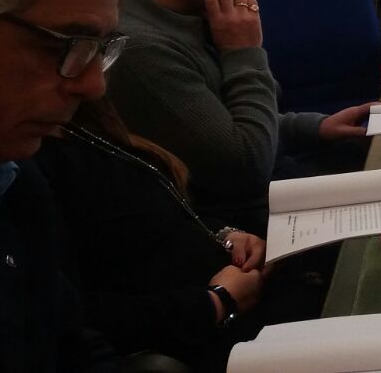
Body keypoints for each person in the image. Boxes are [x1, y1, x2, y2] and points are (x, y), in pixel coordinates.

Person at [107, 0, 376, 233]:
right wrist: (244, 52)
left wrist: (315, 127)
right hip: (247, 217)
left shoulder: (194, 17)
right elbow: (247, 166)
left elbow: (242, 119)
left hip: (274, 181)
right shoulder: (142, 50)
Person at [0, 0, 129, 371]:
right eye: (65, 44)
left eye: (100, 48)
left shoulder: (13, 183)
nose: (93, 85)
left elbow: (71, 349)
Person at [35, 96, 275, 372]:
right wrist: (216, 302)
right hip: (203, 338)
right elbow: (75, 316)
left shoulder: (83, 121)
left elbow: (161, 215)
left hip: (239, 299)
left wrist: (226, 234)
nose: (98, 84)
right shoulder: (31, 165)